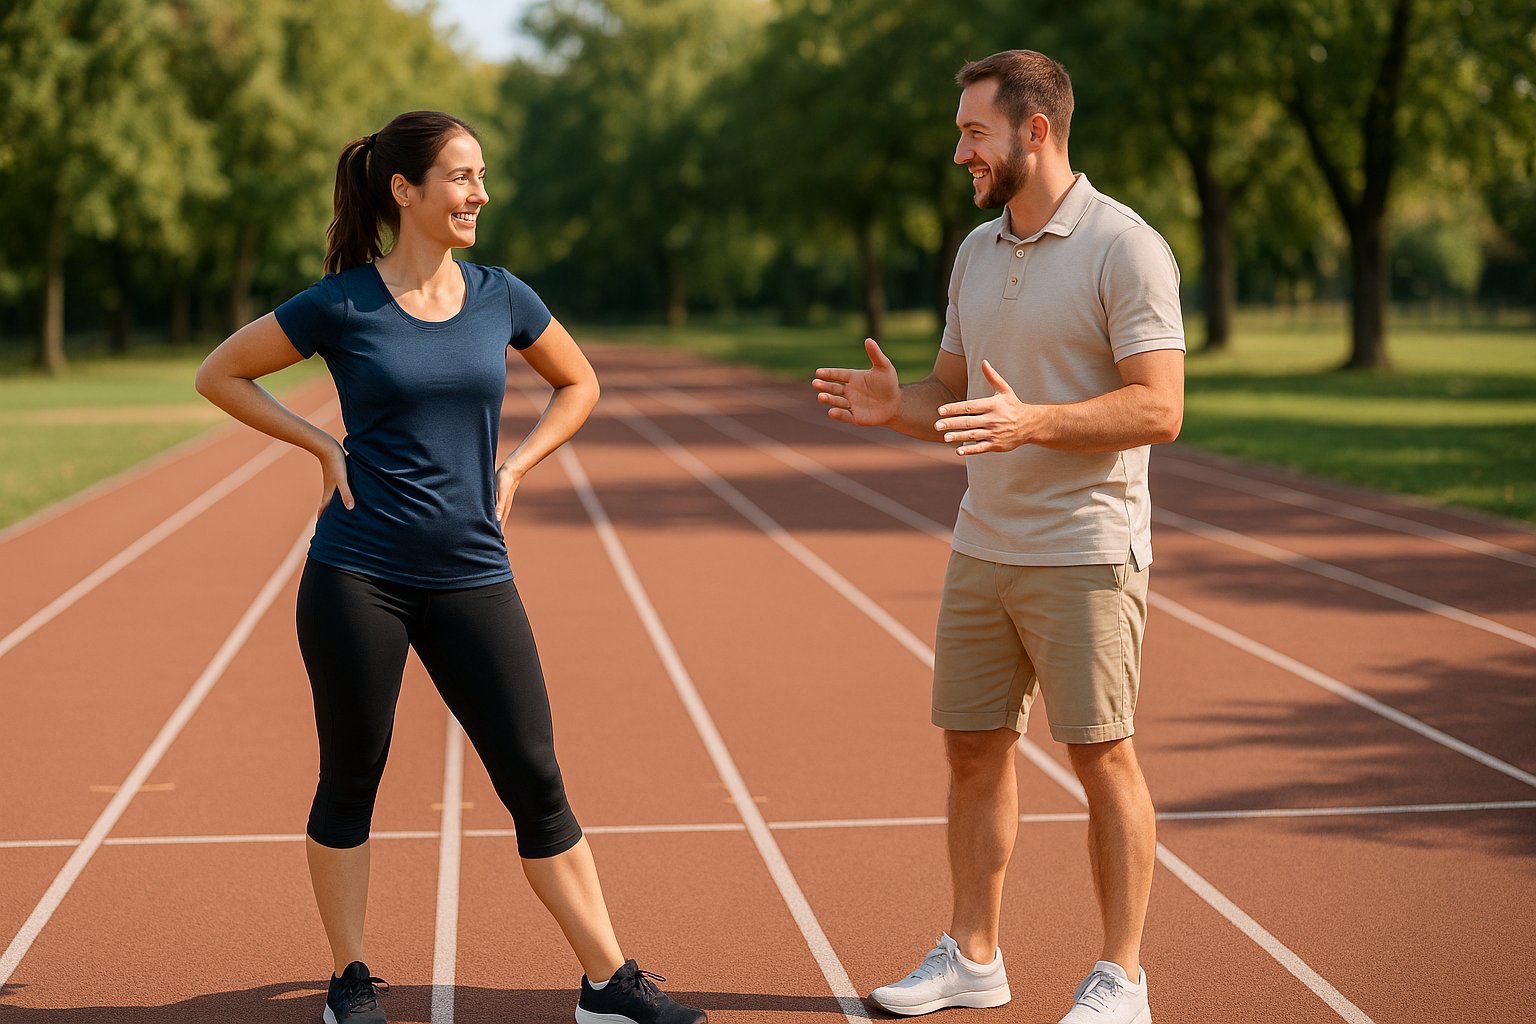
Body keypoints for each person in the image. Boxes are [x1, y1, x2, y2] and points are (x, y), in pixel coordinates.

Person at [196, 110, 705, 1024]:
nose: (478, 193)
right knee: (352, 775)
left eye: (481, 177)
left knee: (536, 777)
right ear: (405, 192)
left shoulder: (501, 295)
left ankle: (606, 980)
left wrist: (516, 464)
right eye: (462, 177)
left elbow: (579, 382)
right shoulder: (343, 302)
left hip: (474, 570)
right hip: (359, 576)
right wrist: (319, 443)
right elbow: (221, 374)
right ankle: (349, 979)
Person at [812, 51, 1184, 1024]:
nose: (958, 151)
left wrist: (1035, 422)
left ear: (1036, 130)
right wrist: (898, 407)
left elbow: (1161, 407)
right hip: (983, 543)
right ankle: (974, 954)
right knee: (973, 749)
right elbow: (951, 394)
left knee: (1103, 755)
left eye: (973, 132)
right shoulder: (976, 251)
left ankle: (1123, 979)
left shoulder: (1126, 247)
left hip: (1087, 548)